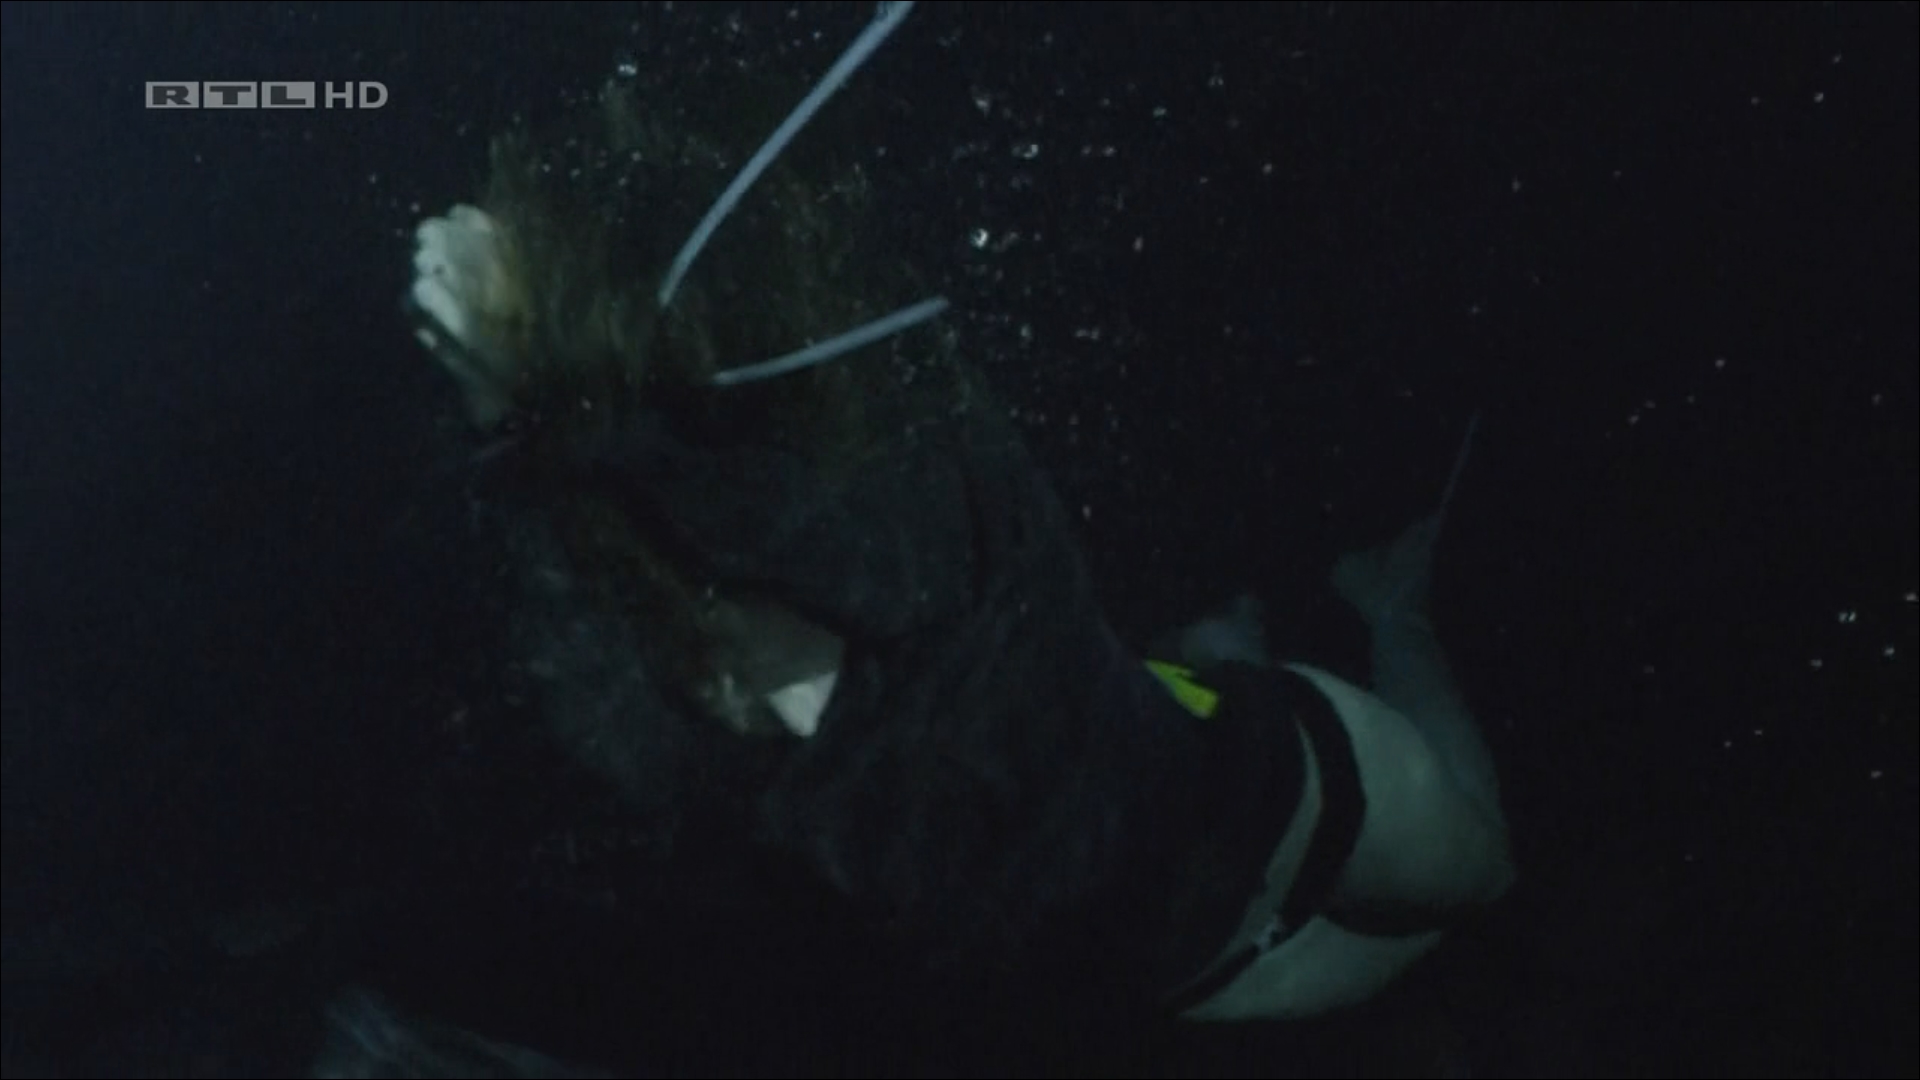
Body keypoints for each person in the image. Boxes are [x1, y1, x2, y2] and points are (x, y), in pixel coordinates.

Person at [402, 46, 1514, 1027]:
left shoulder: (899, 465)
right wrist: (523, 420)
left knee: (1485, 886)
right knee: (1424, 938)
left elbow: (849, 555)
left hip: (1271, 784)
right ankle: (1233, 642)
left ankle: (1384, 615)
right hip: (1177, 954)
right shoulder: (625, 643)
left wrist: (542, 408)